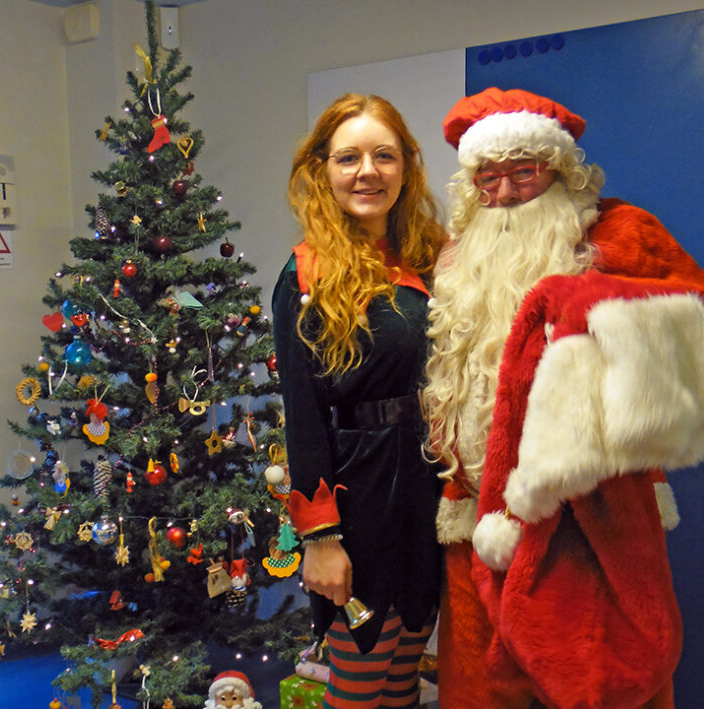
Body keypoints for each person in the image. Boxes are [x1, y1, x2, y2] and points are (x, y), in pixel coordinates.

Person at [421, 87, 704, 708]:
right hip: (474, 511)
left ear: (558, 169)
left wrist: (593, 312)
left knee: (601, 678)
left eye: (524, 172)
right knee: (480, 684)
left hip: (591, 515)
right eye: (488, 178)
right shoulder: (457, 254)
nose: (505, 193)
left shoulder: (621, 232)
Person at [272, 93, 447, 709]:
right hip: (358, 496)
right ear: (323, 169)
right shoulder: (305, 273)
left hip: (428, 489)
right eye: (349, 157)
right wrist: (321, 539)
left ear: (406, 166)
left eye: (384, 156)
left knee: (404, 675)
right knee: (362, 676)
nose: (367, 171)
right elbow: (303, 416)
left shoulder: (430, 258)